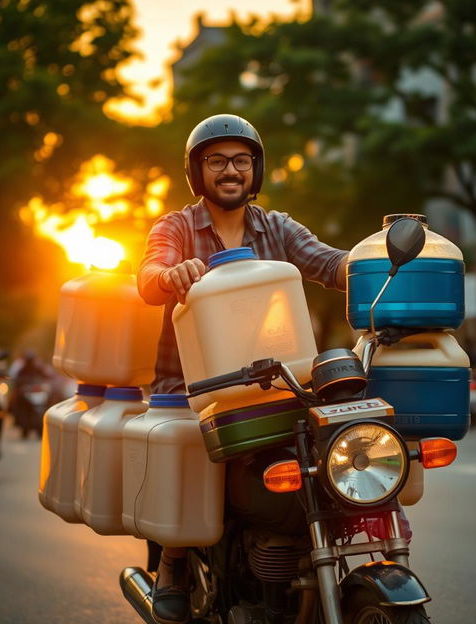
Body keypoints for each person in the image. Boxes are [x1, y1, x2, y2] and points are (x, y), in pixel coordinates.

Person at [137, 114, 348, 624]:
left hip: (279, 382)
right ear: (197, 171)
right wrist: (171, 273)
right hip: (194, 387)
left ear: (255, 169)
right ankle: (174, 561)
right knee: (189, 445)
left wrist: (376, 263)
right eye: (216, 160)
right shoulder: (177, 226)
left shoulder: (279, 227)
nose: (230, 170)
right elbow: (148, 276)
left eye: (241, 160)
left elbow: (329, 263)